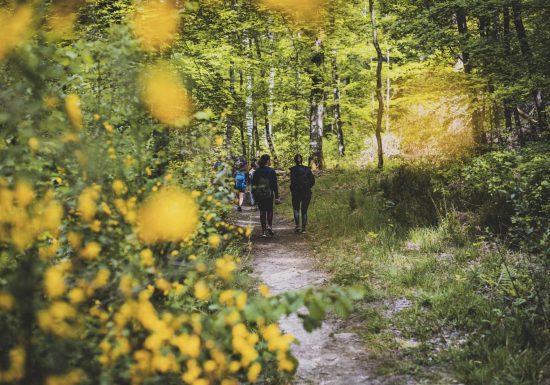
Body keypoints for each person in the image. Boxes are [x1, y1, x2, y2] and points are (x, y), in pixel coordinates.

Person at [251, 154, 280, 237]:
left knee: (262, 212)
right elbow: (275, 184)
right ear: (267, 161)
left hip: (260, 194)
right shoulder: (271, 171)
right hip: (269, 193)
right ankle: (269, 226)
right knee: (269, 210)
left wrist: (254, 196)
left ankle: (263, 231)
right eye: (269, 160)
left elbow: (254, 185)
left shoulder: (257, 171)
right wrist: (277, 196)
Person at [290, 154, 315, 233]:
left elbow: (292, 182)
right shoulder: (307, 169)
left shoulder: (293, 170)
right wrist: (308, 187)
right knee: (304, 210)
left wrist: (292, 189)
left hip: (296, 192)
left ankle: (297, 226)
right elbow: (313, 181)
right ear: (302, 160)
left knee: (296, 209)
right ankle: (304, 228)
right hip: (306, 192)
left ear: (295, 160)